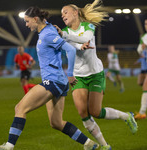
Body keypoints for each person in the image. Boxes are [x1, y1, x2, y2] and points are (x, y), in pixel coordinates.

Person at [0, 6, 99, 150]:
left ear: (35, 19)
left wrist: (70, 74)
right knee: (56, 123)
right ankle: (89, 144)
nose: (27, 25)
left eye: (27, 21)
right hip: (59, 82)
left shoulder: (47, 34)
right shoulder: (48, 30)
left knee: (20, 108)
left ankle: (8, 147)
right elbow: (65, 45)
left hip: (53, 81)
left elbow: (69, 50)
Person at [54, 0, 138, 149]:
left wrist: (65, 36)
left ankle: (126, 116)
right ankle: (105, 146)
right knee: (83, 113)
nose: (62, 15)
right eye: (61, 14)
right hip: (78, 77)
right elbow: (73, 46)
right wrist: (67, 38)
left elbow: (84, 39)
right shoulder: (64, 32)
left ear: (75, 13)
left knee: (96, 111)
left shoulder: (88, 26)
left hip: (95, 74)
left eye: (65, 12)